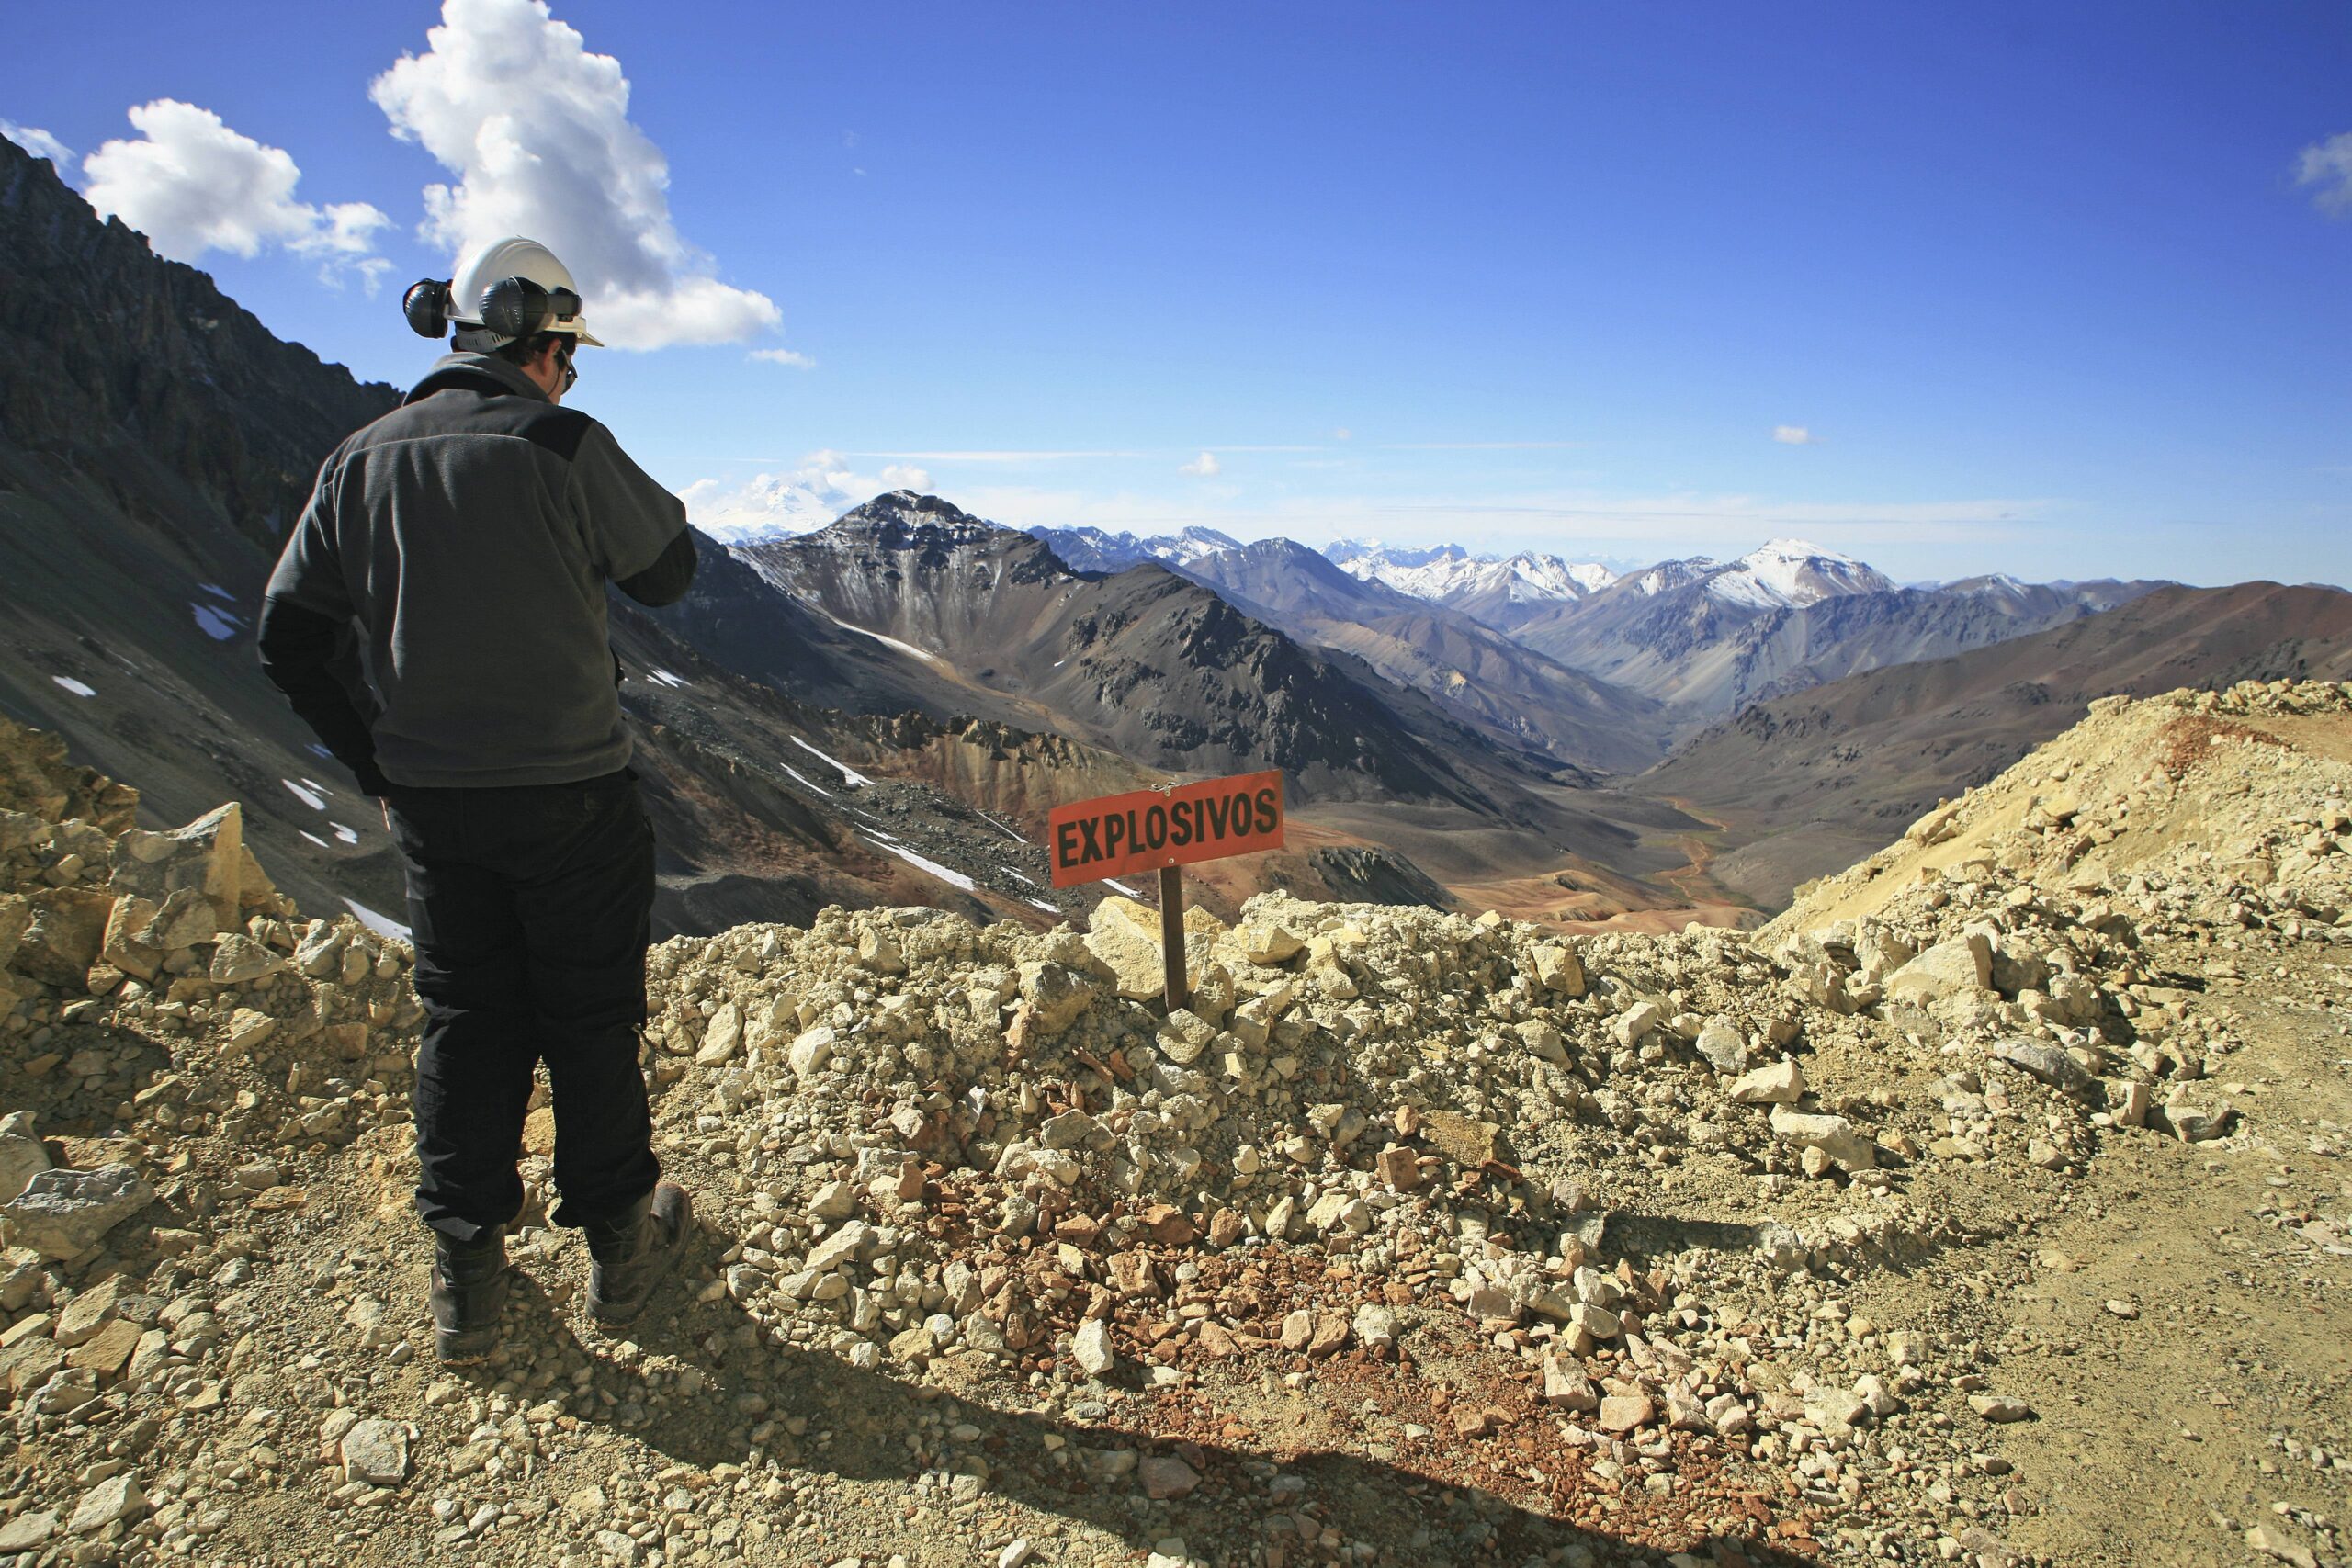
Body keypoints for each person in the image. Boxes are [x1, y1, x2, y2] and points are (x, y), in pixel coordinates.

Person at [256, 235, 696, 1362]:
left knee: (466, 1023)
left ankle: (469, 1282)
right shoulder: (560, 441)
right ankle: (618, 1260)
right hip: (574, 803)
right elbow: (666, 571)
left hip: (438, 812)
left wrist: (376, 769)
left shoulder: (356, 460)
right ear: (540, 347)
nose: (572, 374)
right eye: (569, 354)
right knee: (590, 1025)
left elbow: (289, 638)